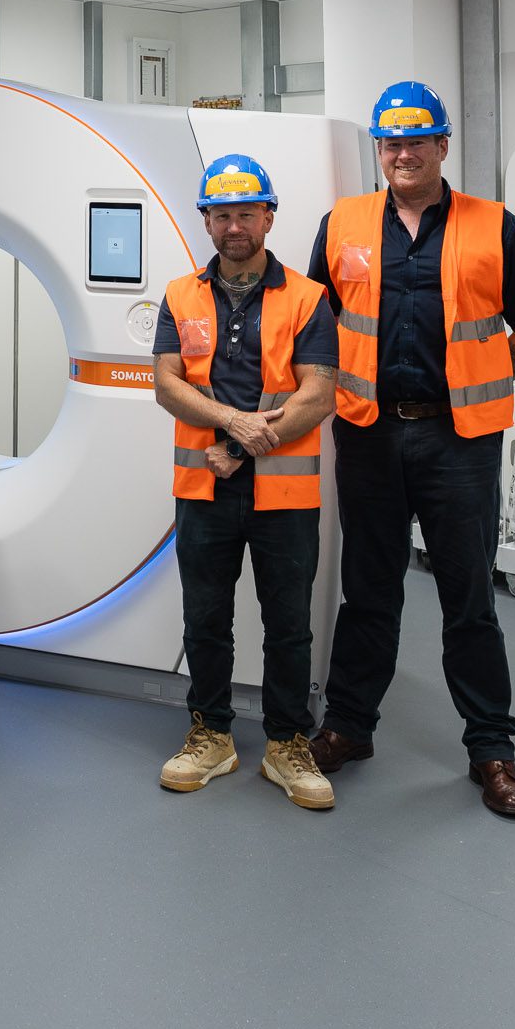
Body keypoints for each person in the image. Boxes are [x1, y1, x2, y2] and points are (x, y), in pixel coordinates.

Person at [305, 82, 515, 819]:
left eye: (417, 140)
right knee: (368, 590)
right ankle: (349, 726)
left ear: (443, 145)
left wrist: (481, 381)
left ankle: (492, 749)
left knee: (468, 598)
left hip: (460, 440)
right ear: (379, 150)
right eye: (391, 143)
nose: (403, 154)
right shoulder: (343, 223)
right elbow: (314, 324)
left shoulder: (496, 227)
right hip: (368, 433)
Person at [152, 155, 340, 810]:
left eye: (247, 213)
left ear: (269, 217)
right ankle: (211, 734)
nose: (235, 226)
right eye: (222, 214)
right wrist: (232, 421)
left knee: (288, 623)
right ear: (207, 221)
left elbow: (318, 395)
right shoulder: (179, 295)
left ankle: (287, 742)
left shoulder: (309, 298)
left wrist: (237, 444)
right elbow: (167, 384)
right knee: (205, 617)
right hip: (204, 489)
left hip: (284, 495)